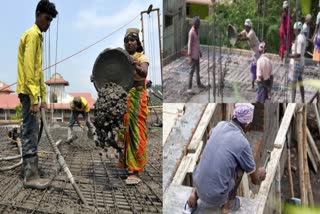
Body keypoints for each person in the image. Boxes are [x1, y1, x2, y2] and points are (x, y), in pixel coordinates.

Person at [183, 103, 266, 214]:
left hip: (197, 183)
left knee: (212, 154)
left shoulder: (220, 125)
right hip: (215, 198)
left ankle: (193, 197)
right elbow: (255, 180)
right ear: (247, 124)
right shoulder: (242, 142)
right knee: (242, 166)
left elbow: (211, 138)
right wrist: (261, 173)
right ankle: (227, 205)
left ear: (233, 116)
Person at [16, 0, 58, 189]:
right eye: (46, 18)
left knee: (32, 132)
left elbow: (38, 71)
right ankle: (30, 177)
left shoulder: (38, 36)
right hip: (27, 93)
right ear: (38, 14)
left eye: (50, 20)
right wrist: (34, 98)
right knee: (30, 133)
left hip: (32, 93)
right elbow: (28, 69)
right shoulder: (33, 35)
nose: (48, 23)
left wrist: (42, 97)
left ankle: (31, 171)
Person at [119, 28, 149, 185]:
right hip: (126, 97)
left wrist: (134, 64)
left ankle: (136, 171)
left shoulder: (141, 57)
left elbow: (143, 73)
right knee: (126, 133)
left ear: (138, 42)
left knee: (136, 132)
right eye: (127, 40)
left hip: (138, 98)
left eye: (133, 39)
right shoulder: (122, 58)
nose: (130, 42)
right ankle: (128, 166)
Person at [237, 18, 260, 89]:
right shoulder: (245, 31)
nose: (245, 28)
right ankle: (254, 82)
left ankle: (255, 83)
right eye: (245, 26)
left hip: (257, 50)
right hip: (253, 50)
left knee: (255, 66)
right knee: (254, 66)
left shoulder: (251, 32)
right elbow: (240, 34)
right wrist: (236, 36)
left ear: (250, 27)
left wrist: (239, 39)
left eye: (247, 26)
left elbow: (246, 38)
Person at [187, 16, 207, 94]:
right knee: (191, 72)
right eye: (198, 24)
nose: (199, 25)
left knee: (198, 71)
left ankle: (199, 84)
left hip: (197, 55)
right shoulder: (191, 32)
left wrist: (200, 52)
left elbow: (197, 43)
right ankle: (189, 88)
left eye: (199, 24)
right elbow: (189, 44)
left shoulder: (196, 31)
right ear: (194, 24)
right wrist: (189, 57)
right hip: (193, 56)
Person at [288, 22, 307, 103]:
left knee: (294, 84)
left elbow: (298, 54)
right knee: (300, 82)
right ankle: (303, 99)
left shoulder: (299, 39)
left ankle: (292, 101)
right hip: (301, 63)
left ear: (297, 30)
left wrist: (289, 55)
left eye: (294, 30)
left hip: (296, 64)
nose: (293, 31)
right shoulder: (303, 37)